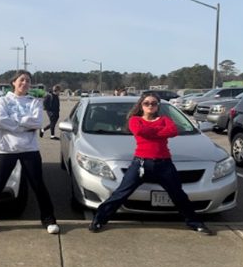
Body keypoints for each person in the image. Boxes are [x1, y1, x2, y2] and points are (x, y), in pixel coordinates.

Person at [89, 92, 214, 235]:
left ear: (157, 106)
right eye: (147, 103)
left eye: (154, 103)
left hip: (164, 164)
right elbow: (140, 131)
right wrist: (161, 131)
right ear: (141, 105)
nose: (150, 106)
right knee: (120, 193)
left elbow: (172, 131)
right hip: (141, 164)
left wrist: (152, 131)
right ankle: (99, 220)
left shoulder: (165, 119)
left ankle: (195, 223)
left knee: (178, 195)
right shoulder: (135, 120)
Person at [0, 70, 59, 236]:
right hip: (5, 149)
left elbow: (38, 122)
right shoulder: (3, 100)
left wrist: (15, 124)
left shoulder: (34, 102)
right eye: (22, 80)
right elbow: (0, 121)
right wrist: (24, 124)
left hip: (29, 149)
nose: (25, 83)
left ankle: (49, 220)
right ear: (14, 82)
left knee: (38, 185)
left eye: (28, 81)